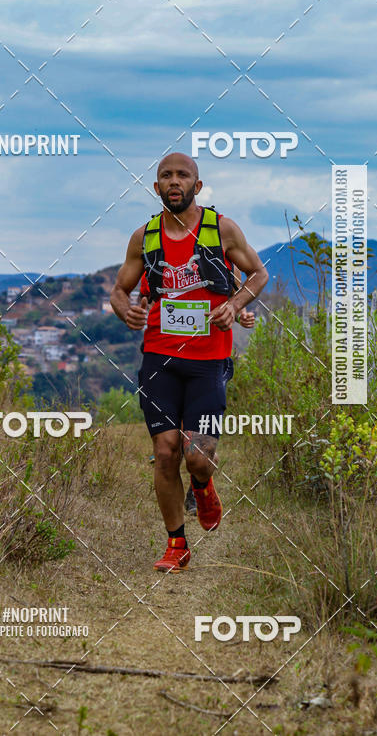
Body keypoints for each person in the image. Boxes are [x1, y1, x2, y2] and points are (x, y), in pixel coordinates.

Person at [110, 152, 268, 571]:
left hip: (209, 360)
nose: (174, 181)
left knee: (196, 454)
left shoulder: (222, 229)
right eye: (166, 176)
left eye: (183, 175)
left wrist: (234, 306)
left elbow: (258, 274)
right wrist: (124, 309)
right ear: (157, 187)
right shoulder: (144, 237)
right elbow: (119, 290)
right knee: (165, 453)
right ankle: (177, 544)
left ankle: (203, 484)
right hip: (159, 358)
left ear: (197, 187)